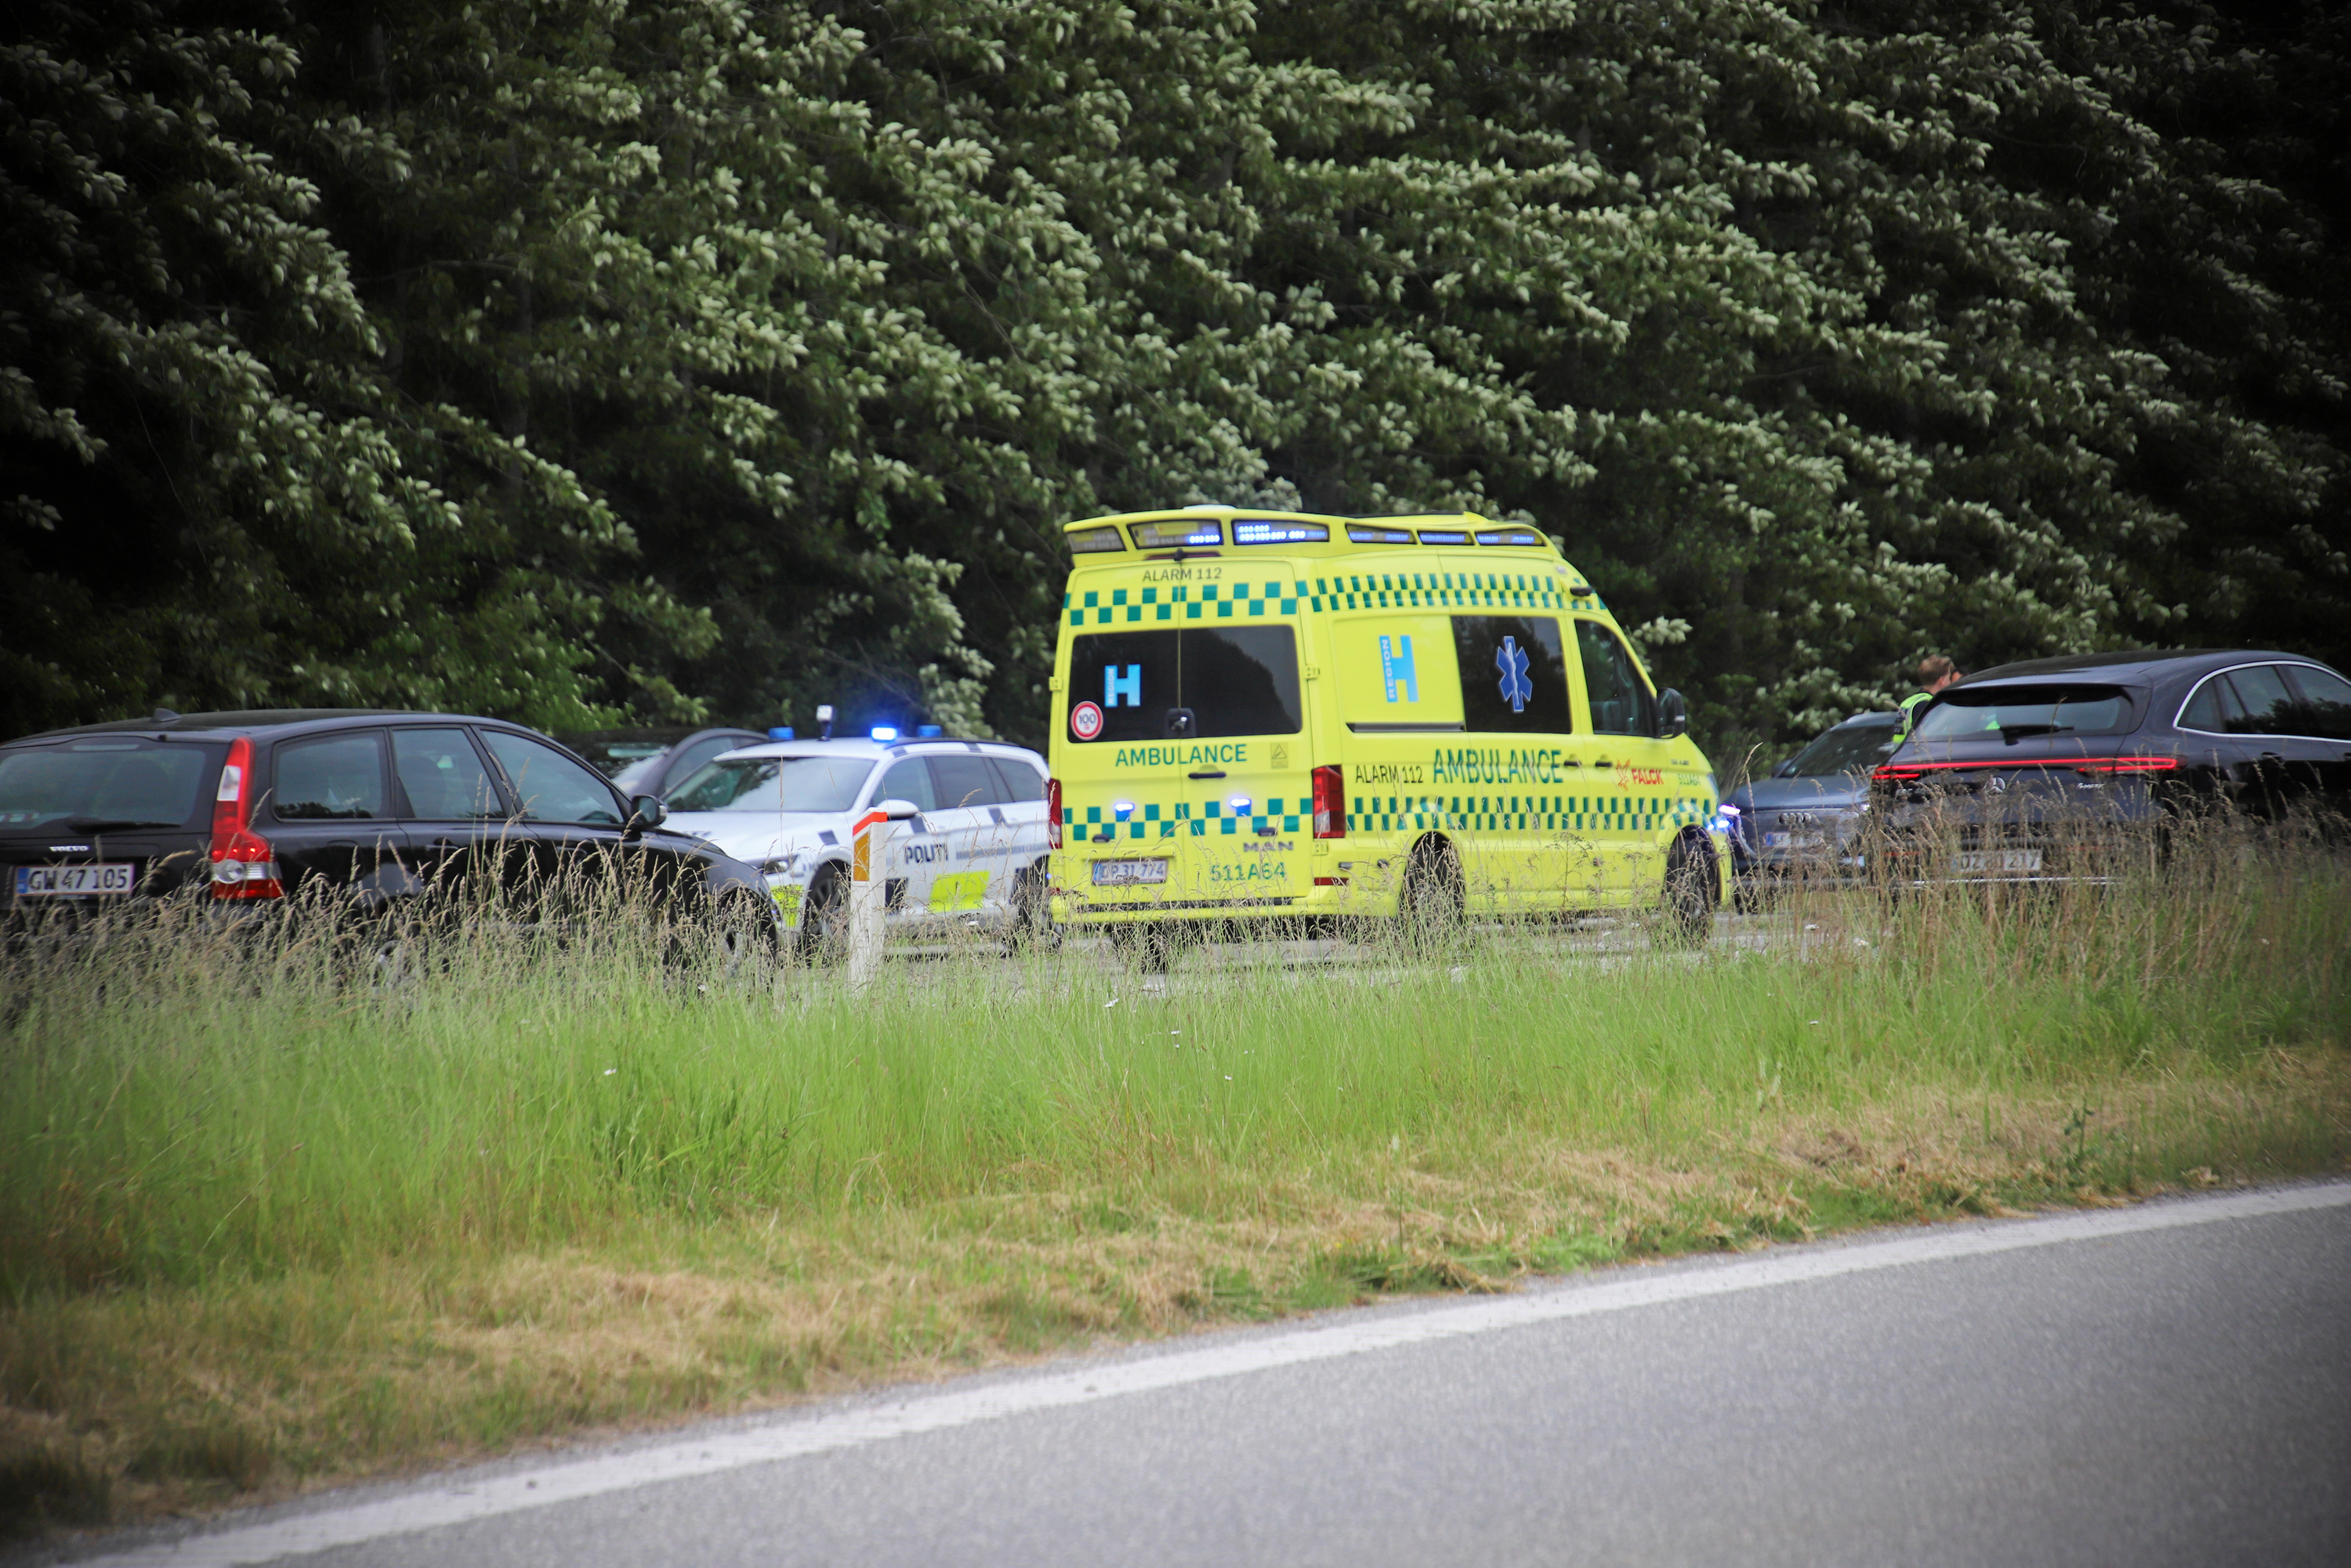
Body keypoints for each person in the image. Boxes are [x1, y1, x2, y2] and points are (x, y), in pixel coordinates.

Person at [1896, 655, 1963, 737]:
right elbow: (1929, 738)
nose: (1950, 682)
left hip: (1902, 749)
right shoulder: (1928, 705)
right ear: (1942, 680)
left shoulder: (1909, 702)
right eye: (1948, 678)